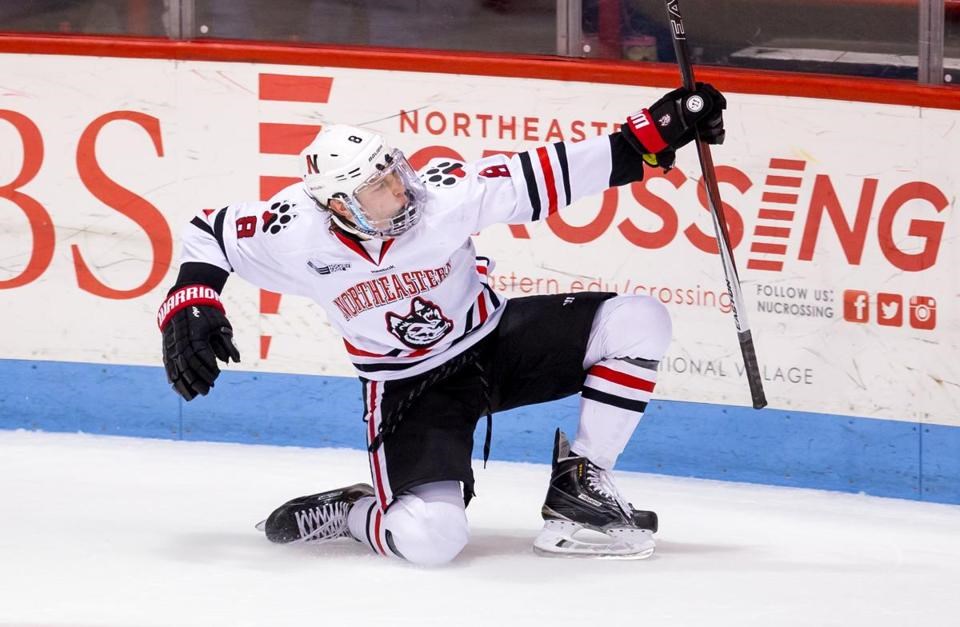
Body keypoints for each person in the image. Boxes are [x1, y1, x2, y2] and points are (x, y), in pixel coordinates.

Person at [157, 83, 726, 563]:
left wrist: (649, 135)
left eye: (394, 172)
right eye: (377, 187)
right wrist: (193, 299)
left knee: (637, 319)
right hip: (410, 387)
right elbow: (209, 230)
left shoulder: (441, 197)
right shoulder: (292, 229)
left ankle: (581, 484)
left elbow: (546, 173)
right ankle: (358, 514)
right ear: (337, 205)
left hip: (495, 343)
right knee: (433, 540)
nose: (400, 189)